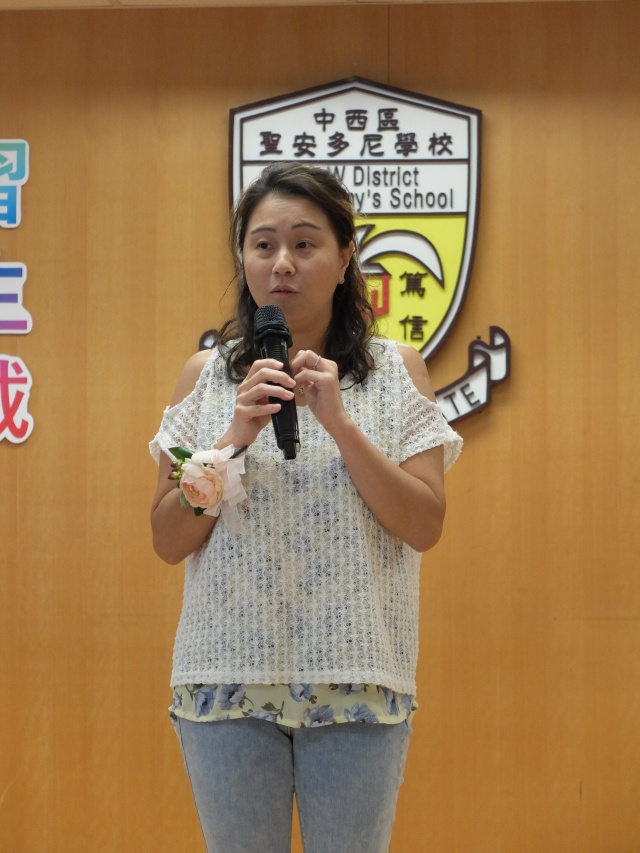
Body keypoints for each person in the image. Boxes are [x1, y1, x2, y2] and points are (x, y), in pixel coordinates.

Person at [149, 162, 462, 853]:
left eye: (304, 243)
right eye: (263, 244)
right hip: (227, 679)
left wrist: (341, 425)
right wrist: (231, 440)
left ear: (346, 257)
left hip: (356, 678)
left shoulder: (396, 371)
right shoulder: (207, 379)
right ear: (243, 257)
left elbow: (424, 524)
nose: (282, 263)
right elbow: (168, 538)